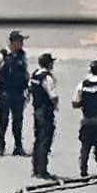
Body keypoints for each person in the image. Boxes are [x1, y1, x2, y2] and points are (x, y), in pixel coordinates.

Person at [0, 31, 31, 158]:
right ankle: (1, 146)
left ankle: (18, 146)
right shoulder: (2, 55)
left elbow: (25, 73)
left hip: (18, 92)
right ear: (13, 42)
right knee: (4, 119)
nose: (22, 44)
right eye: (20, 41)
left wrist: (27, 88)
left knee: (18, 120)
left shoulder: (22, 56)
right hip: (5, 92)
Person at [29, 51, 60, 181]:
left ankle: (36, 169)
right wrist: (55, 105)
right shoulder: (47, 78)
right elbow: (53, 96)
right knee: (44, 141)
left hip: (37, 110)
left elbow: (30, 89)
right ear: (49, 64)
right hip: (45, 111)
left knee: (38, 140)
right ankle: (42, 170)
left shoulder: (35, 74)